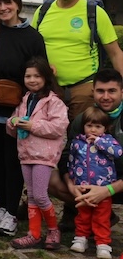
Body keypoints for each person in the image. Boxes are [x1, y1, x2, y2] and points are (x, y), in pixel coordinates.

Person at [0, 0, 47, 236]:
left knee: (13, 162)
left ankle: (11, 212)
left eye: (7, 3)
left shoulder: (32, 37)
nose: (3, 8)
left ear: (17, 4)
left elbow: (40, 73)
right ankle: (1, 207)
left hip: (18, 112)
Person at [33, 0, 123, 120]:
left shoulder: (95, 12)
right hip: (48, 88)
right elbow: (31, 48)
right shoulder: (42, 11)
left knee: (82, 134)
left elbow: (115, 53)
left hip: (84, 89)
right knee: (48, 135)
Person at [6, 57, 68, 250]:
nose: (32, 80)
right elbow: (14, 119)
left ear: (46, 77)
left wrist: (32, 126)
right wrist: (13, 122)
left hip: (44, 156)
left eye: (37, 76)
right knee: (32, 195)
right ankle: (34, 234)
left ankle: (53, 230)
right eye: (28, 76)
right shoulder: (26, 99)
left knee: (41, 195)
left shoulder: (54, 101)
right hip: (26, 154)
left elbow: (58, 127)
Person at [51, 69, 123, 231]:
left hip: (118, 184)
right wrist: (71, 185)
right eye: (100, 91)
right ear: (93, 92)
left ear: (122, 92)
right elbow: (66, 156)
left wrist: (107, 190)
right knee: (51, 179)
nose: (105, 96)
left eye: (112, 91)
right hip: (87, 183)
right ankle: (99, 214)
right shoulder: (83, 119)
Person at [67, 107, 122, 258]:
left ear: (105, 128)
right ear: (83, 126)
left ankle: (103, 243)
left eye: (98, 126)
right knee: (82, 215)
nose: (93, 130)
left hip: (102, 188)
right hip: (83, 186)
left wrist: (99, 142)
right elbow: (71, 160)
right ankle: (81, 238)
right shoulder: (78, 142)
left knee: (101, 217)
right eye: (89, 126)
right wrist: (72, 178)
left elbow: (118, 152)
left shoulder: (108, 141)